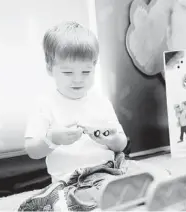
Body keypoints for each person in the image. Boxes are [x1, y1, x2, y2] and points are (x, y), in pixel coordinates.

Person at [24, 21, 128, 183]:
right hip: (68, 181)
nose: (78, 79)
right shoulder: (45, 104)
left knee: (141, 175)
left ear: (95, 67)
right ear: (50, 69)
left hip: (106, 172)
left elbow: (121, 143)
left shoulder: (101, 102)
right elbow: (32, 150)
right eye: (67, 72)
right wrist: (52, 139)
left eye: (86, 71)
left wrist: (110, 139)